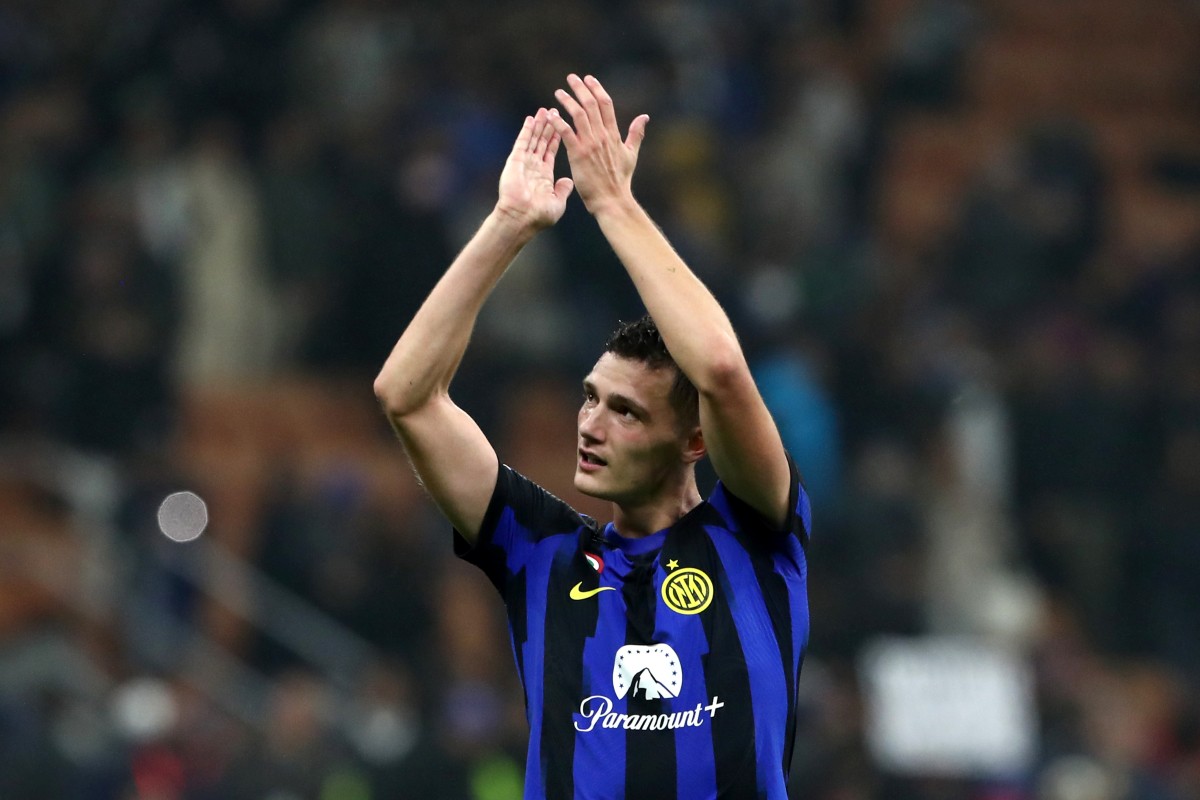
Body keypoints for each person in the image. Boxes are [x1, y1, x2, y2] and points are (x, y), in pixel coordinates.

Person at [374, 74, 812, 800]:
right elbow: (406, 396)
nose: (591, 425)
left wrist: (613, 204)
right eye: (589, 399)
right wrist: (508, 225)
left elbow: (721, 369)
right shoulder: (540, 551)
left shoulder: (754, 534)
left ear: (693, 442)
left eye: (626, 412)